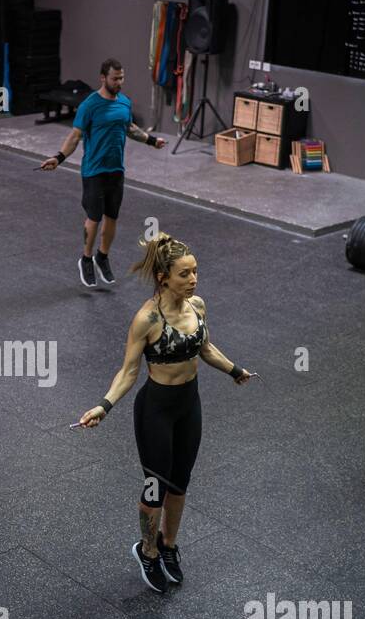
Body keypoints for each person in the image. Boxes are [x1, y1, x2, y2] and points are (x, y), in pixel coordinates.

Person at [78, 233, 251, 593]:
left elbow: (204, 347)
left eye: (195, 272)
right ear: (164, 277)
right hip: (156, 409)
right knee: (156, 486)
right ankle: (148, 549)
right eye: (185, 274)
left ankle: (169, 545)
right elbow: (128, 371)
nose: (193, 280)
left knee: (180, 483)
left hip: (189, 405)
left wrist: (234, 370)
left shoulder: (197, 306)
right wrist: (103, 406)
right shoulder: (147, 318)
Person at [40, 59, 167, 288]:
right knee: (94, 218)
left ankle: (102, 256)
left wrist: (151, 140)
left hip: (115, 170)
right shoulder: (90, 105)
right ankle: (86, 258)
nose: (119, 82)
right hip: (94, 170)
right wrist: (58, 158)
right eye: (115, 78)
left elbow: (129, 128)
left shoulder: (124, 103)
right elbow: (75, 136)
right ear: (103, 78)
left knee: (112, 217)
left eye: (121, 78)